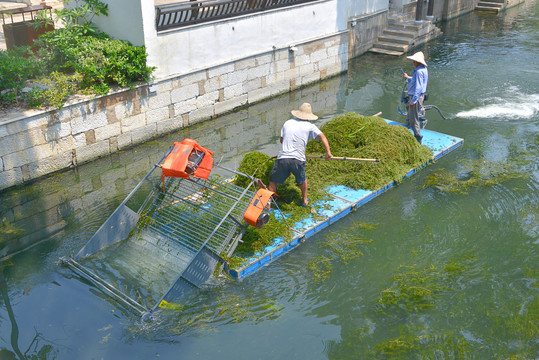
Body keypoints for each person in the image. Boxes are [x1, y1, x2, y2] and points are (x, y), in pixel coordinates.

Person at [268, 103, 332, 207]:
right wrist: (328, 153)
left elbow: (281, 140)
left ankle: (268, 204)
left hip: (283, 158)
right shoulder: (310, 126)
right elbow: (322, 137)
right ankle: (304, 200)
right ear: (309, 117)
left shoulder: (287, 123)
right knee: (302, 180)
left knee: (273, 181)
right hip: (297, 160)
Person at [403, 51, 429, 144]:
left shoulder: (418, 71)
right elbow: (415, 81)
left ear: (419, 62)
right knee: (410, 115)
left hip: (415, 97)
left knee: (414, 118)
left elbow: (418, 87)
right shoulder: (423, 69)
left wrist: (413, 101)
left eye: (415, 61)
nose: (413, 62)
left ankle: (418, 137)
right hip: (418, 96)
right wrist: (407, 77)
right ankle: (405, 130)